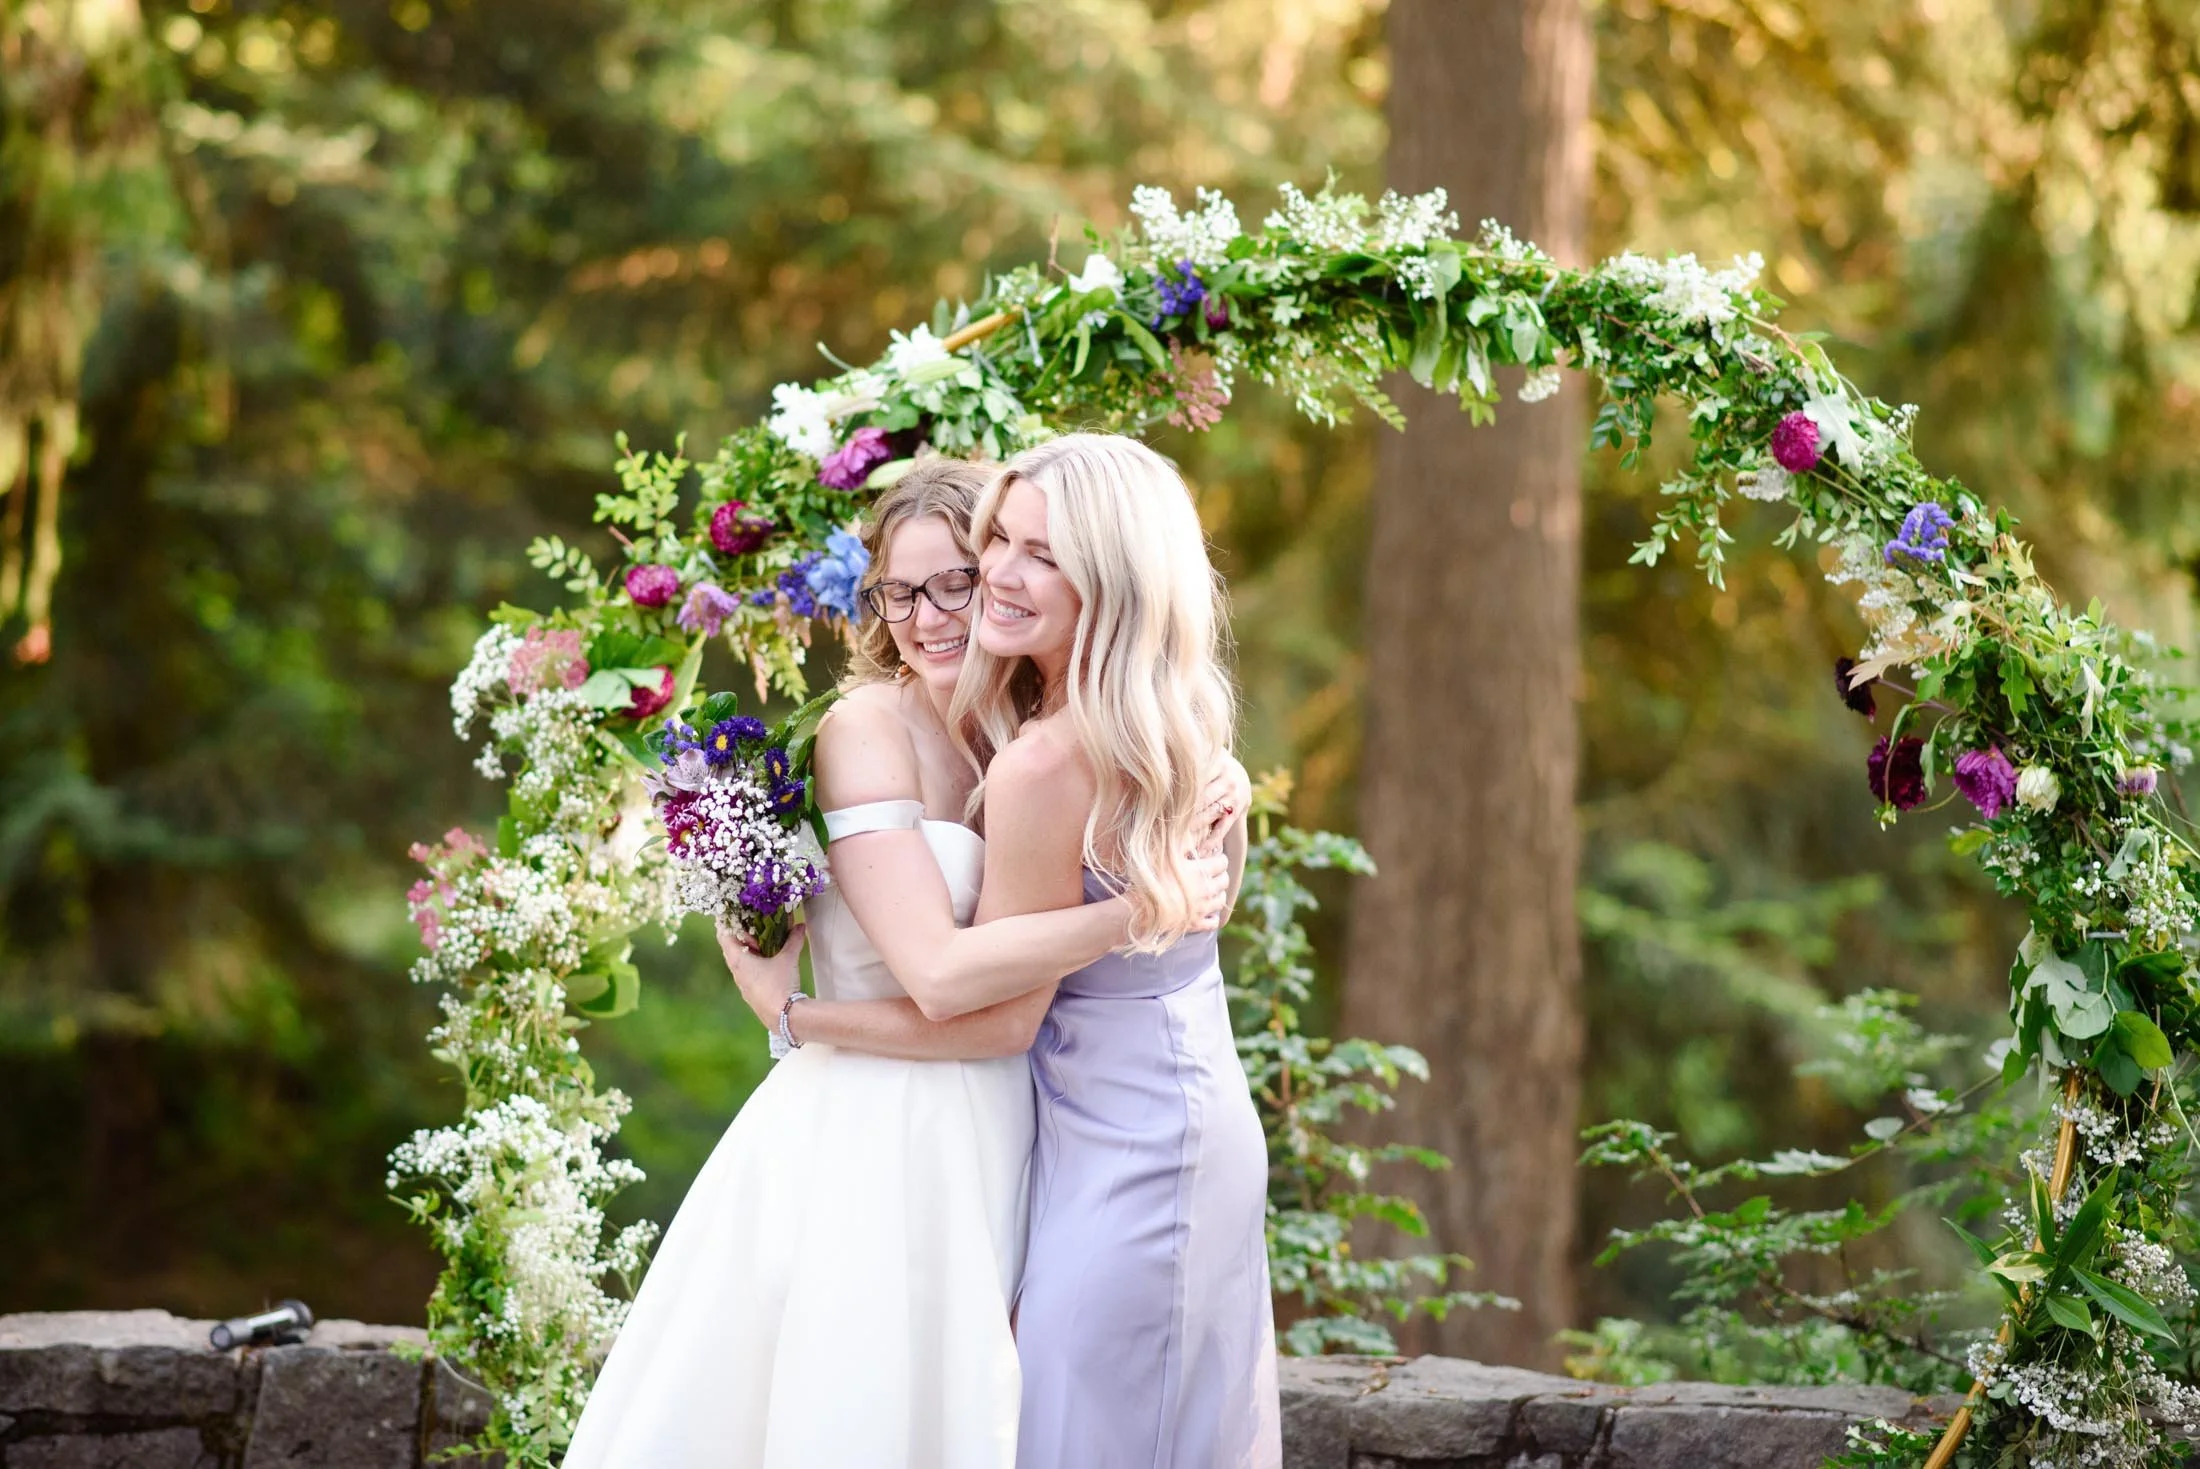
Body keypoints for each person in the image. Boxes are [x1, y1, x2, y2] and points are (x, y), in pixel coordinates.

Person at [563, 455, 1239, 1469]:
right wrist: (792, 1019)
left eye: (957, 580)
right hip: (885, 1130)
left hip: (1013, 1125)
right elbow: (941, 975)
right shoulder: (863, 729)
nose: (929, 615)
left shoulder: (1027, 730)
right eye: (899, 590)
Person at [956, 432, 1280, 1469]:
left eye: (1043, 554)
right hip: (1156, 1116)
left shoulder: (1047, 761)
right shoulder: (1170, 721)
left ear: (1116, 577)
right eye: (999, 536)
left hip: (1138, 1150)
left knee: (1080, 1430)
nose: (1000, 572)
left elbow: (1000, 1008)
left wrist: (810, 1018)